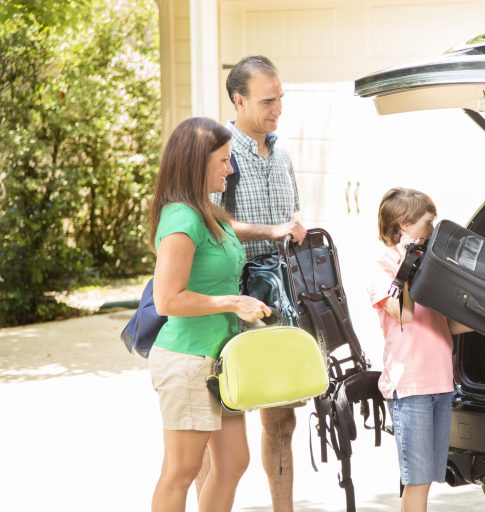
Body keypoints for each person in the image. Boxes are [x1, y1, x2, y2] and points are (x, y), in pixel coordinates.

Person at [147, 116, 272, 512]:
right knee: (181, 471)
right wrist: (234, 303)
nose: (230, 169)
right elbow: (168, 299)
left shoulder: (210, 212)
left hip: (220, 361)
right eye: (222, 161)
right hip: (188, 360)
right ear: (196, 163)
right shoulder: (182, 219)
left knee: (234, 462)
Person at [203, 55, 306, 512]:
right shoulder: (218, 157)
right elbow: (210, 223)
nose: (277, 108)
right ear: (238, 100)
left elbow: (290, 223)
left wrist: (295, 230)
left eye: (280, 98)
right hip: (231, 300)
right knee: (219, 421)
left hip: (280, 300)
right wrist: (271, 231)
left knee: (281, 420)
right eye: (268, 100)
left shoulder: (282, 156)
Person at [367, 187, 470, 512]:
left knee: (427, 478)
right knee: (416, 479)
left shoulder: (431, 267)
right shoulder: (381, 268)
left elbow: (445, 324)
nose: (432, 228)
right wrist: (408, 267)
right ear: (403, 225)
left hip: (440, 382)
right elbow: (405, 313)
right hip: (411, 385)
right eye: (427, 222)